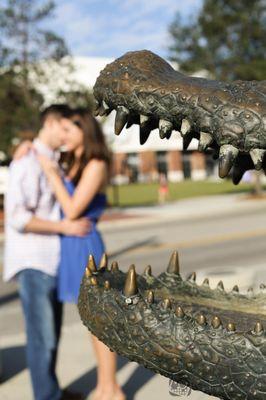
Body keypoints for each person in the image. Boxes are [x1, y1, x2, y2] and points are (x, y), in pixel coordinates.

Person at [37, 108, 126, 400]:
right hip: (70, 245)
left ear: (83, 131)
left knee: (100, 321)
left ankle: (111, 390)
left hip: (86, 246)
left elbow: (73, 209)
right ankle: (103, 386)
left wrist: (52, 174)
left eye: (68, 131)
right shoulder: (72, 161)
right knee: (91, 322)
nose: (63, 136)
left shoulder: (96, 163)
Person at [3, 104, 89, 400]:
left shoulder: (51, 159)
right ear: (51, 124)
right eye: (65, 128)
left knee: (52, 336)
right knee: (43, 338)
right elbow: (17, 217)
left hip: (52, 262)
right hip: (34, 261)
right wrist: (65, 228)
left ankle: (50, 391)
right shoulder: (26, 162)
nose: (67, 135)